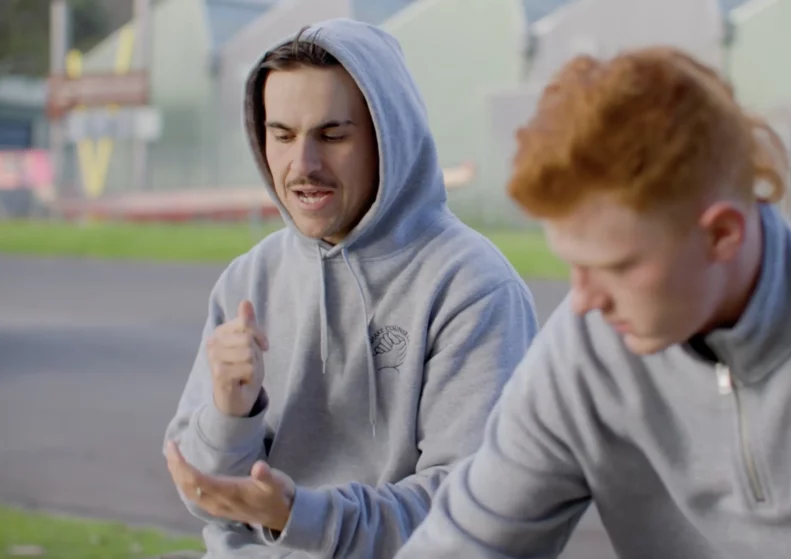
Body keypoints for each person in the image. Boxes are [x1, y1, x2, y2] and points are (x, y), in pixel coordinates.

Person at [395, 46, 791, 558]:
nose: (582, 301)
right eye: (572, 266)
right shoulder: (581, 359)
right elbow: (463, 545)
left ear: (721, 234)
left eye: (615, 267)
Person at [161, 18, 539, 559]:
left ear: (390, 136)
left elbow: (473, 513)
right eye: (282, 135)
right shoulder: (250, 279)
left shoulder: (473, 288)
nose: (303, 165)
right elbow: (205, 493)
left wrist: (301, 516)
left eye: (333, 136)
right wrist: (229, 415)